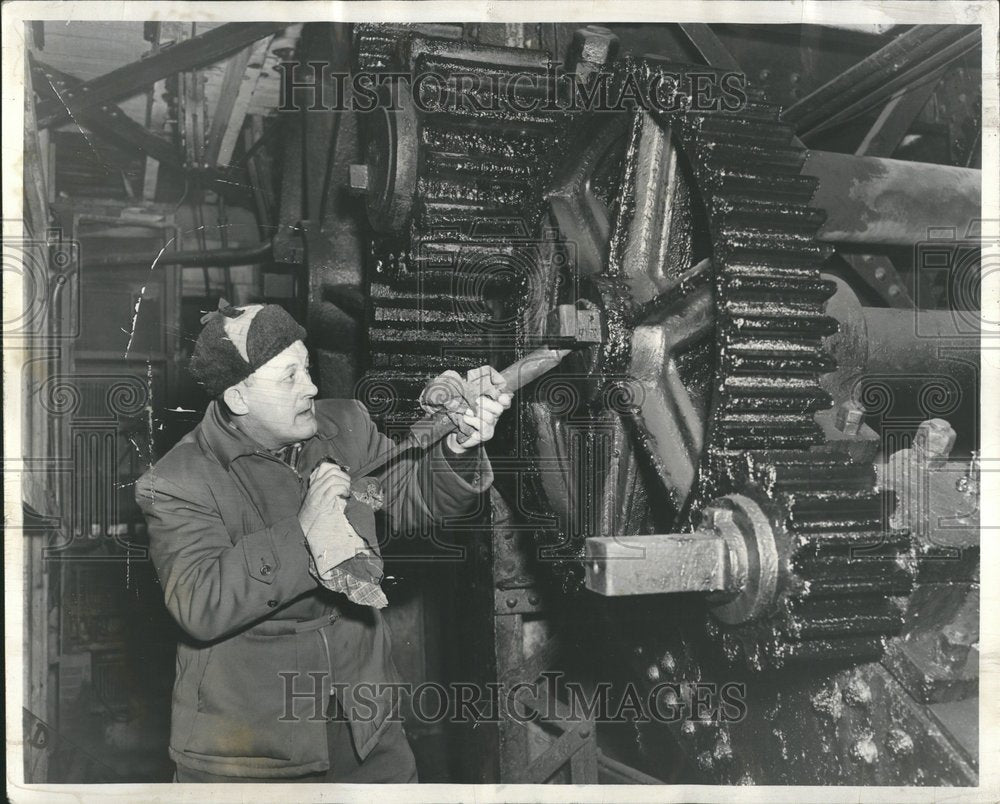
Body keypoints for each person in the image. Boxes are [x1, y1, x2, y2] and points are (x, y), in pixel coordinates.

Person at [135, 301, 511, 782]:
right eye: (289, 377)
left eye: (307, 368)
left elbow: (412, 499)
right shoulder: (177, 481)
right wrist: (303, 533)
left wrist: (458, 447)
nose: (311, 387)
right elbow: (199, 603)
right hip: (252, 752)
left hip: (367, 732)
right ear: (237, 398)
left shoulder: (345, 427)